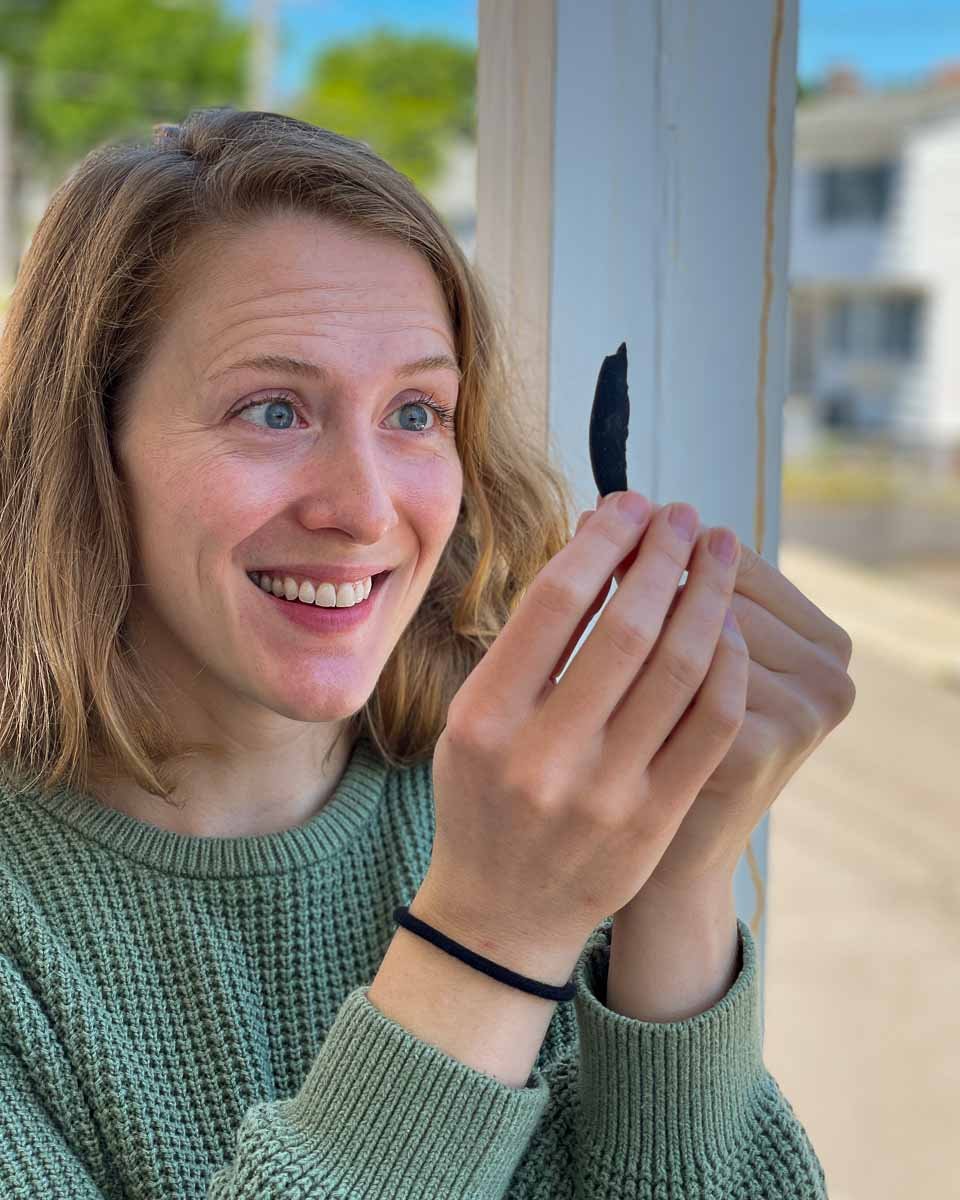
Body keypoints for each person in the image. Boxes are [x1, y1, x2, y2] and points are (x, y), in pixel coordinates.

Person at [0, 108, 827, 1197]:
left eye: (416, 412)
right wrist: (492, 930)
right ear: (87, 448)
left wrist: (679, 866)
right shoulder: (514, 862)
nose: (366, 506)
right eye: (275, 409)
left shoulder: (529, 808)